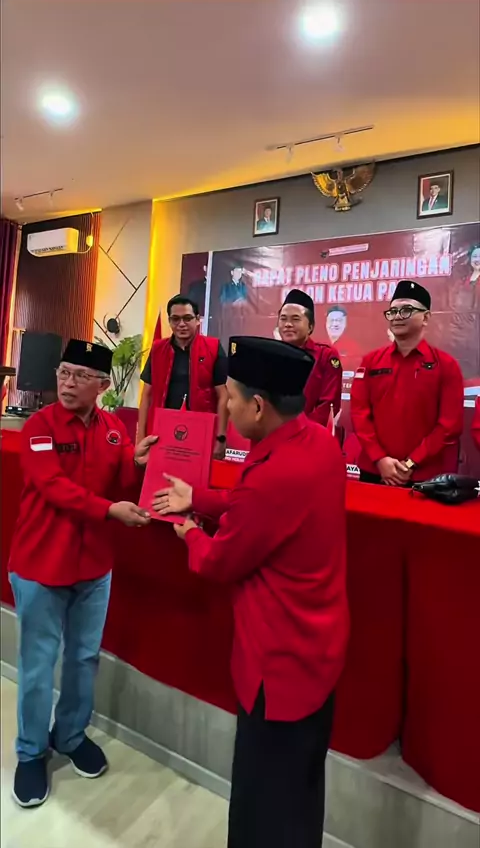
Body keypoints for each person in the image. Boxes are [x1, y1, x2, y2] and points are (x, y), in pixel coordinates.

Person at [153, 336, 349, 848]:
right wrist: (200, 497)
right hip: (318, 653)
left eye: (232, 397)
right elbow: (260, 512)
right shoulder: (317, 444)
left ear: (258, 407)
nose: (227, 406)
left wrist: (190, 531)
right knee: (300, 793)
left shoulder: (273, 473)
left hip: (276, 666)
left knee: (262, 808)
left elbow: (220, 561)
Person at [8, 339, 157, 809]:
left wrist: (138, 461)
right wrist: (110, 510)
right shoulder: (39, 426)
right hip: (40, 564)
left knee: (83, 658)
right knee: (37, 667)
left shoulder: (114, 430)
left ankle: (70, 735)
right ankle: (31, 753)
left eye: (79, 376)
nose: (68, 383)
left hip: (93, 567)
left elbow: (125, 481)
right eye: (63, 373)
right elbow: (52, 486)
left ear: (102, 385)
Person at [351, 280, 464, 485]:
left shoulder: (446, 365)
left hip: (425, 475)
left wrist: (412, 462)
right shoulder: (370, 361)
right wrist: (380, 459)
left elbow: (449, 425)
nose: (397, 317)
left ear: (426, 317)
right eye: (393, 312)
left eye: (406, 310)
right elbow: (359, 413)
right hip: (375, 470)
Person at [137, 294, 229, 458]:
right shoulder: (158, 349)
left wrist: (220, 437)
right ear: (169, 321)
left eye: (187, 318)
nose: (181, 324)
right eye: (175, 319)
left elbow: (223, 396)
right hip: (161, 431)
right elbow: (146, 395)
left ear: (198, 319)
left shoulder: (213, 347)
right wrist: (140, 437)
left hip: (200, 431)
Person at [278, 289, 342, 425]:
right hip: (275, 432)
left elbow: (328, 405)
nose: (288, 324)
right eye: (283, 319)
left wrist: (300, 429)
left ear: (310, 326)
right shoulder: (272, 354)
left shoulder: (326, 356)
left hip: (310, 433)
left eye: (295, 319)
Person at [325, 306, 362, 373]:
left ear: (345, 324)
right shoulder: (319, 345)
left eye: (339, 321)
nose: (335, 324)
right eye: (331, 320)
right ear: (326, 323)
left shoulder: (353, 347)